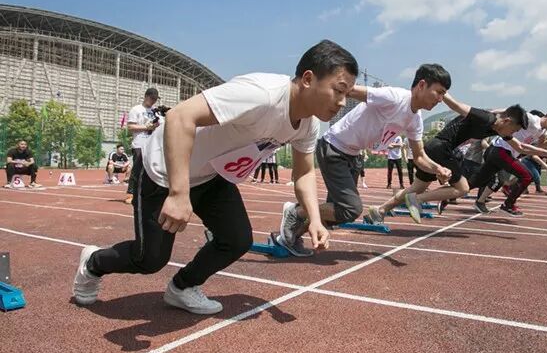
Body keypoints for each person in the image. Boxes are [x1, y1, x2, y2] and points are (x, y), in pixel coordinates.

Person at [73, 40, 355, 314]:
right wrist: (178, 194)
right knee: (149, 260)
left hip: (213, 174)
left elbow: (304, 171)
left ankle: (183, 287)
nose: (342, 102)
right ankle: (93, 263)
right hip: (167, 169)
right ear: (308, 79)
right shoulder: (262, 94)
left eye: (347, 94)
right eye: (338, 90)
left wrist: (315, 219)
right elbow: (179, 117)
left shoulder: (309, 124)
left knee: (236, 239)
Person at [297, 64, 451, 243]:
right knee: (350, 209)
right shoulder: (394, 97)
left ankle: (290, 235)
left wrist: (438, 168)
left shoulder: (415, 120)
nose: (440, 99)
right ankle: (297, 211)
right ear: (422, 85)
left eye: (444, 95)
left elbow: (419, 157)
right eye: (439, 92)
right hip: (334, 146)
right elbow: (350, 89)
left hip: (353, 154)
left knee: (336, 214)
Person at [367, 95, 528, 222]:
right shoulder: (487, 118)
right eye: (513, 130)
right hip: (440, 148)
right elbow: (457, 106)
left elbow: (519, 147)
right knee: (463, 188)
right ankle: (416, 200)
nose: (512, 134)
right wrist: (442, 92)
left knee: (416, 187)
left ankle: (380, 210)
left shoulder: (498, 129)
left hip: (434, 148)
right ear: (507, 121)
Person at [468, 107, 547, 216]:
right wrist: (485, 115)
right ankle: (508, 205)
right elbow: (508, 111)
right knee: (526, 176)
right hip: (501, 149)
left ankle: (449, 194)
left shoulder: (542, 132)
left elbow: (539, 148)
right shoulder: (532, 119)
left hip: (500, 152)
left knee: (477, 181)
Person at [124, 87, 160, 204]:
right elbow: (130, 127)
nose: (153, 101)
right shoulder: (136, 110)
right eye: (152, 98)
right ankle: (131, 194)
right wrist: (146, 127)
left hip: (152, 145)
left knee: (151, 170)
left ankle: (146, 195)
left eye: (155, 99)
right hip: (140, 144)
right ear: (146, 96)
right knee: (137, 170)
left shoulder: (155, 111)